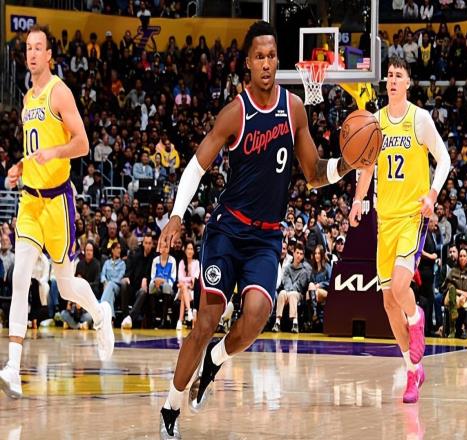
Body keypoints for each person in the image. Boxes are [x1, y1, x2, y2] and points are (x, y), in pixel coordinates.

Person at [158, 21, 356, 438]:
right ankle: (171, 405)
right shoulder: (236, 112)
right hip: (228, 231)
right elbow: (197, 165)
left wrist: (345, 164)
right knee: (207, 319)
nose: (266, 63)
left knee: (256, 316)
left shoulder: (294, 109)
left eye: (272, 56)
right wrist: (176, 214)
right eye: (259, 56)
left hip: (266, 237)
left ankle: (215, 360)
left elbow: (313, 173)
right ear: (247, 63)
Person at [0, 25, 114, 399]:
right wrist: (20, 167)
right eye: (28, 48)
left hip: (58, 202)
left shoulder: (58, 92)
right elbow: (33, 148)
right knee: (20, 276)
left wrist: (54, 153)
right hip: (30, 202)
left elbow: (82, 143)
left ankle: (100, 313)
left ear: (49, 55)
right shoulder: (27, 99)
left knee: (65, 285)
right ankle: (13, 367)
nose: (32, 53)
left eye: (39, 48)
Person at [349, 56, 450, 404]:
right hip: (385, 219)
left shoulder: (419, 119)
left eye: (398, 76)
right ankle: (412, 370)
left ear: (408, 83)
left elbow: (444, 158)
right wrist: (358, 201)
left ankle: (416, 315)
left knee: (401, 285)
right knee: (388, 301)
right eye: (389, 75)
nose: (392, 80)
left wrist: (432, 194)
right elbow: (367, 168)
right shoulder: (375, 123)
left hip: (411, 216)